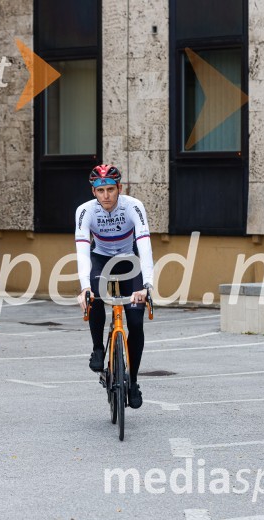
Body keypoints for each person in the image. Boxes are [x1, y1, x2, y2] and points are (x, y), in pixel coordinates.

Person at [75, 164, 154, 409]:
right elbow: (82, 251)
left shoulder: (133, 206)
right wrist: (84, 287)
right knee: (95, 296)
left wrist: (147, 285)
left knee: (136, 322)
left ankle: (133, 382)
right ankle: (98, 349)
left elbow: (144, 244)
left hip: (129, 261)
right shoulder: (85, 211)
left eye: (111, 189)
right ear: (93, 192)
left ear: (120, 188)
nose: (106, 195)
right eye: (101, 191)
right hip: (100, 259)